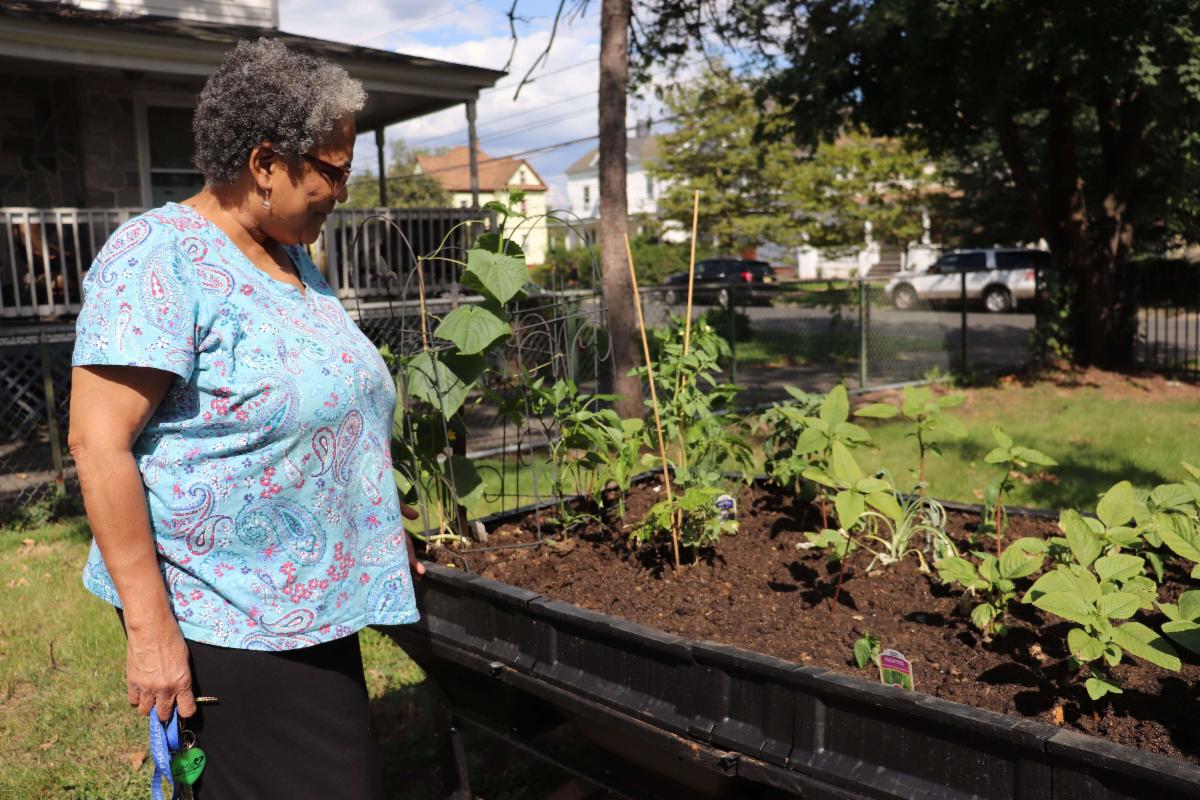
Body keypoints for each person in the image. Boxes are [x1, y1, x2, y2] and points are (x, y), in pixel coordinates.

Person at [67, 38, 422, 798]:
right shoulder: (158, 258)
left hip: (305, 608)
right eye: (332, 170)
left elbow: (318, 409)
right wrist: (150, 632)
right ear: (266, 164)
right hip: (229, 618)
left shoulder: (289, 257)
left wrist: (374, 519)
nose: (343, 190)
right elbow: (97, 445)